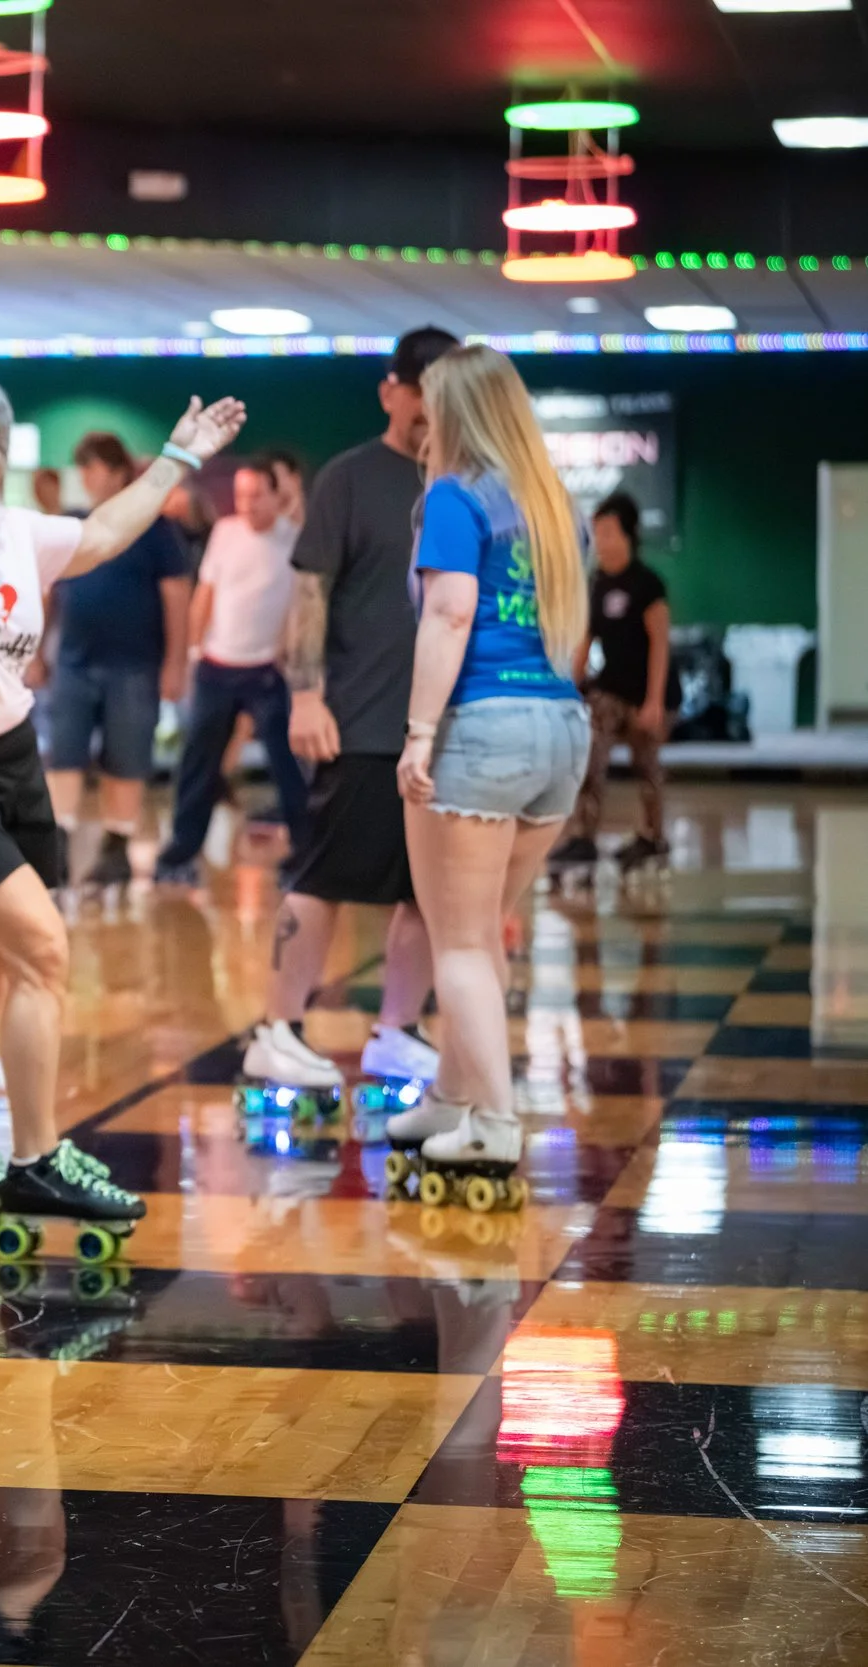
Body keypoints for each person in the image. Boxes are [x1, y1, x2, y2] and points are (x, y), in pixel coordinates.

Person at [0, 372, 244, 1255]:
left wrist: (179, 457)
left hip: (10, 771)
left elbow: (110, 527)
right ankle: (35, 1154)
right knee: (41, 949)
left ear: (4, 460)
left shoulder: (20, 536)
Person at [387, 345, 589, 1193]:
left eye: (433, 407)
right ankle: (453, 1096)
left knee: (459, 937)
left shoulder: (454, 495)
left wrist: (419, 732)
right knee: (479, 930)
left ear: (455, 414)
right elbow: (569, 632)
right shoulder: (554, 505)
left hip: (480, 729)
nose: (424, 423)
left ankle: (496, 1125)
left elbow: (449, 610)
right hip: (560, 729)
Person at [247, 326, 461, 1107]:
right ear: (391, 390)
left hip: (441, 729)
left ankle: (398, 1030)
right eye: (422, 389)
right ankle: (279, 1030)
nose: (432, 407)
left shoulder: (464, 483)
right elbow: (309, 591)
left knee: (431, 891)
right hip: (360, 721)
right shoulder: (350, 477)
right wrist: (305, 694)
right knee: (325, 879)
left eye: (448, 391)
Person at [39, 431, 192, 888]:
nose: (85, 478)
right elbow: (49, 588)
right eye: (81, 468)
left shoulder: (154, 528)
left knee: (126, 758)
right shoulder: (73, 522)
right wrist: (35, 649)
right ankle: (59, 841)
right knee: (64, 752)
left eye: (92, 468)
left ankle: (118, 846)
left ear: (116, 470)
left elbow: (177, 597)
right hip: (74, 661)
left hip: (135, 664)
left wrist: (176, 662)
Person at [153, 458, 309, 885]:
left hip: (266, 673)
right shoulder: (225, 533)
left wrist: (286, 652)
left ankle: (305, 857)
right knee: (198, 766)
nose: (247, 504)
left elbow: (302, 606)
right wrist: (194, 651)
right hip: (217, 667)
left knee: (287, 766)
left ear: (276, 496)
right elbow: (206, 593)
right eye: (241, 495)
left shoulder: (295, 540)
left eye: (257, 494)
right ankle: (179, 856)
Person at [551, 489, 671, 873]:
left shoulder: (648, 585)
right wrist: (570, 687)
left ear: (628, 536)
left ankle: (653, 838)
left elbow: (660, 645)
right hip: (611, 690)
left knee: (647, 768)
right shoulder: (597, 583)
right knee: (591, 758)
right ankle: (583, 837)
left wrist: (653, 702)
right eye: (595, 532)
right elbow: (584, 642)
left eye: (607, 532)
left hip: (648, 693)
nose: (599, 541)